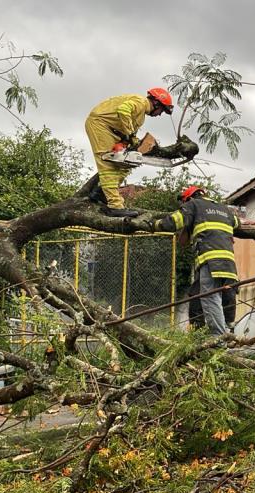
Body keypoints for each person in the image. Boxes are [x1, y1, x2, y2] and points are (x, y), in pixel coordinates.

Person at [150, 185, 240, 336]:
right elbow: (238, 223)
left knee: (210, 297)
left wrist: (154, 225)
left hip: (210, 260)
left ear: (189, 198)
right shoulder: (225, 210)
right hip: (229, 263)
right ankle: (229, 331)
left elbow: (173, 222)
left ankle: (218, 338)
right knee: (224, 296)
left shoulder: (194, 204)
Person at [85, 88, 174, 217]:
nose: (160, 114)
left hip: (112, 131)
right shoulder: (141, 102)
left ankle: (101, 193)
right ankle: (114, 206)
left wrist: (133, 143)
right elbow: (123, 110)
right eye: (162, 110)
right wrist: (129, 134)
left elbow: (129, 131)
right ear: (157, 103)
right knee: (108, 165)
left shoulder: (141, 116)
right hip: (100, 125)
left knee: (126, 163)